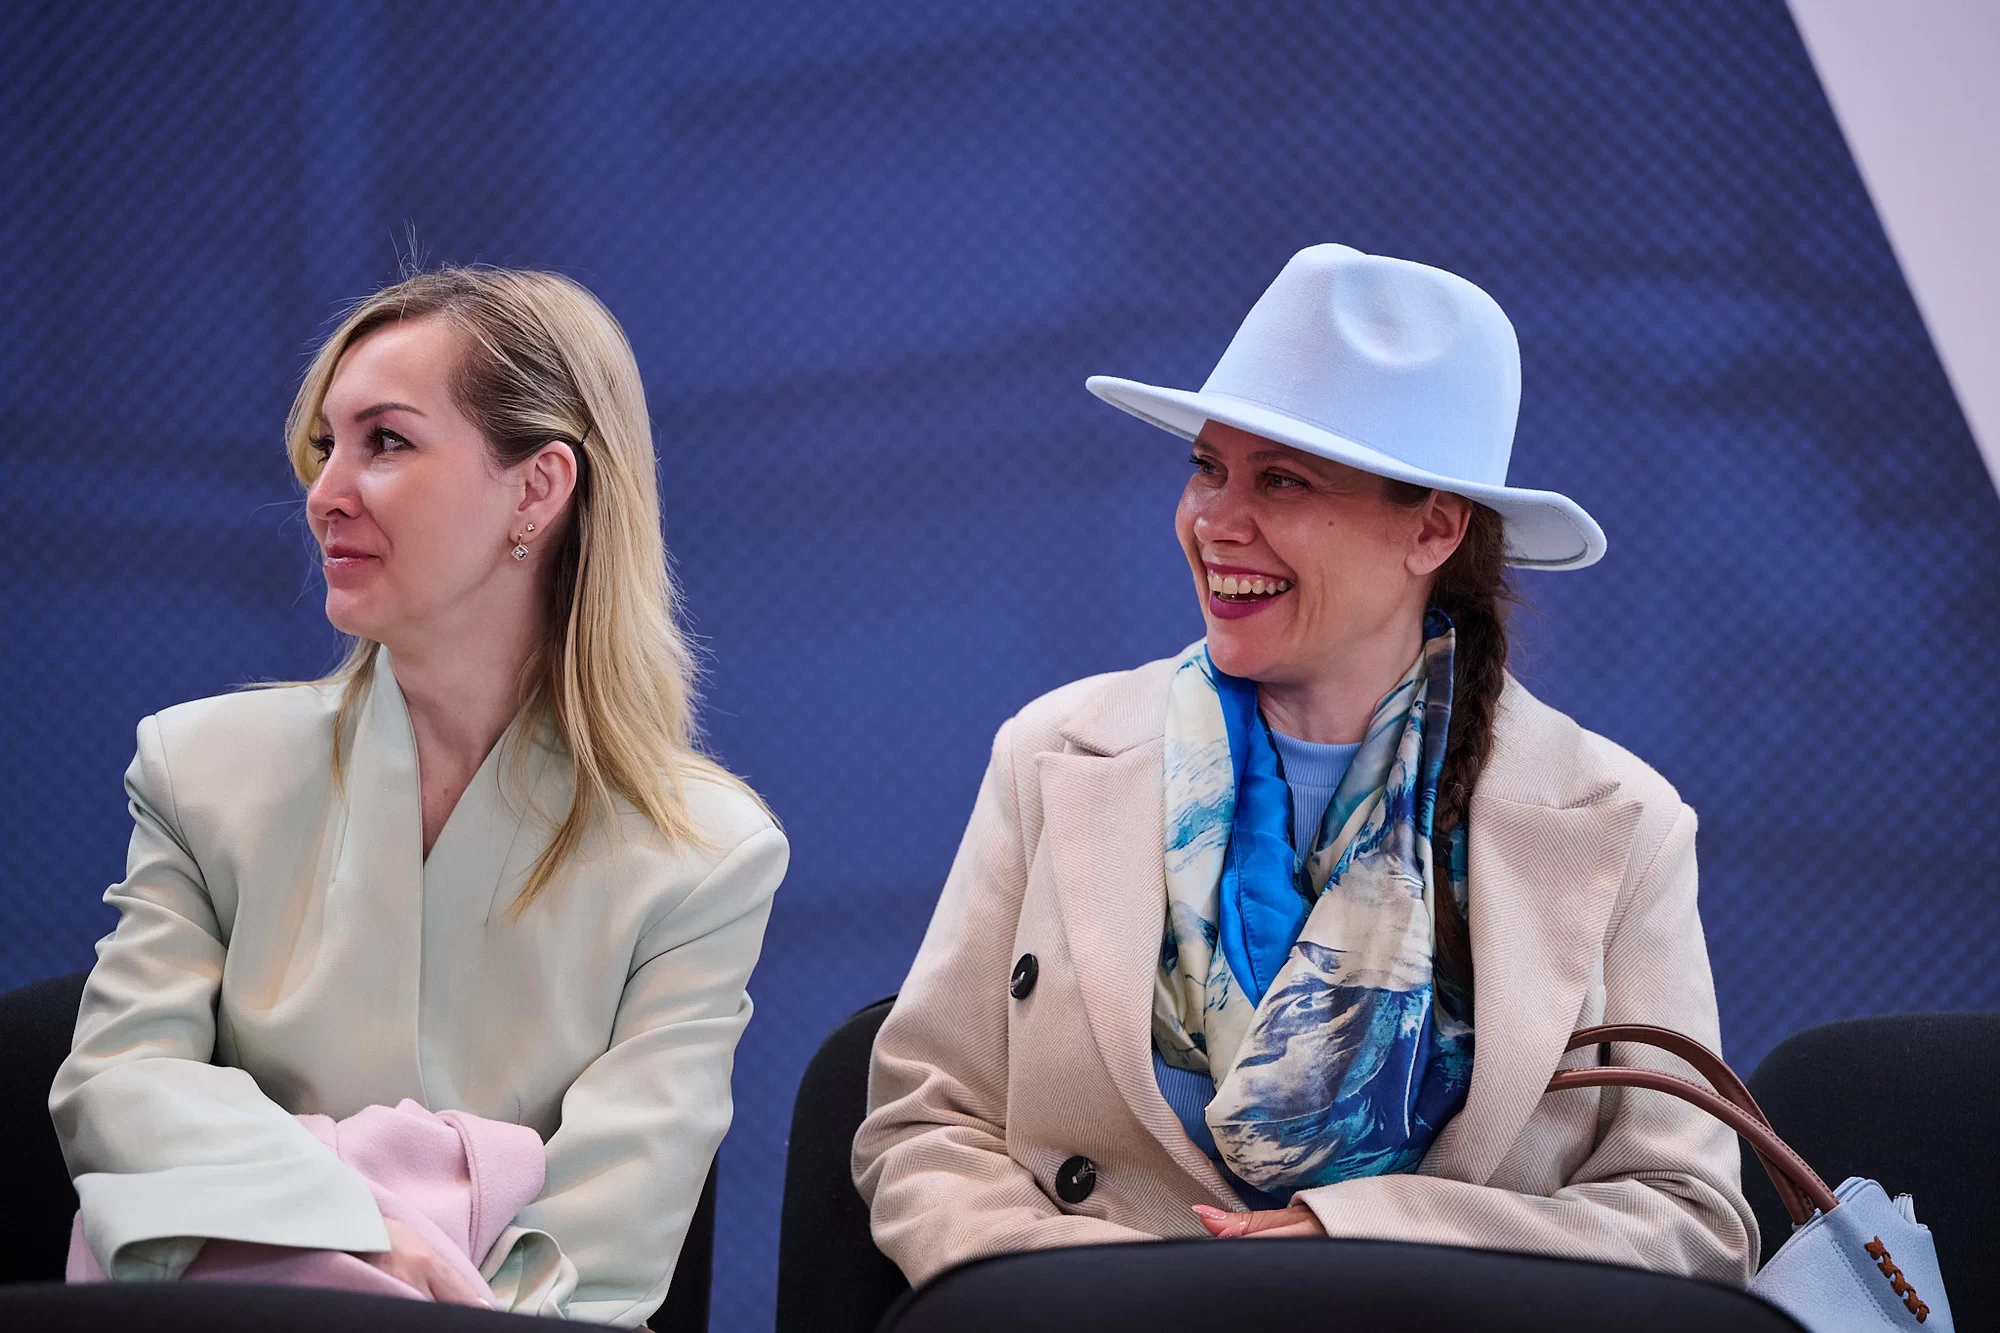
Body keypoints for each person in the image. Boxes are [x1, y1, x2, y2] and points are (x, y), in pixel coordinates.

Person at [853, 244, 1755, 1287]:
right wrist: (1118, 1303)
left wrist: (1367, 1245)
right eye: (1207, 467)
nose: (1213, 522)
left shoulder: (1619, 822)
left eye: (1280, 480)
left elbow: (1689, 1218)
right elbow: (923, 1124)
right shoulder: (1052, 753)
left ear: (1433, 527)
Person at [50, 267, 787, 1325]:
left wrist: (374, 1271)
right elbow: (117, 1087)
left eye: (385, 441)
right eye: (326, 445)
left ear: (536, 490)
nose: (325, 492)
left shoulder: (708, 855)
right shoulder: (196, 767)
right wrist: (357, 1238)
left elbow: (605, 1241)